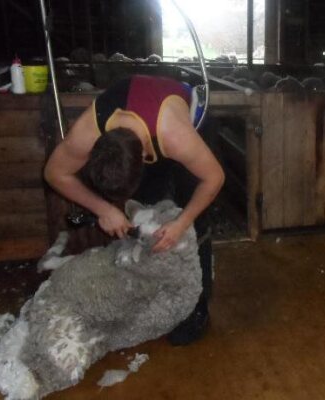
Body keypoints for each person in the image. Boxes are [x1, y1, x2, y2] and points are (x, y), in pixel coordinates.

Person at [44, 75, 225, 344]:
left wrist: (182, 223)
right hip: (145, 129)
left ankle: (195, 306)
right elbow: (54, 172)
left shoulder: (176, 137)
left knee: (192, 217)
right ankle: (155, 291)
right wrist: (103, 208)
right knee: (147, 210)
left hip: (192, 122)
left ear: (144, 159)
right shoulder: (88, 132)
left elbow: (215, 178)